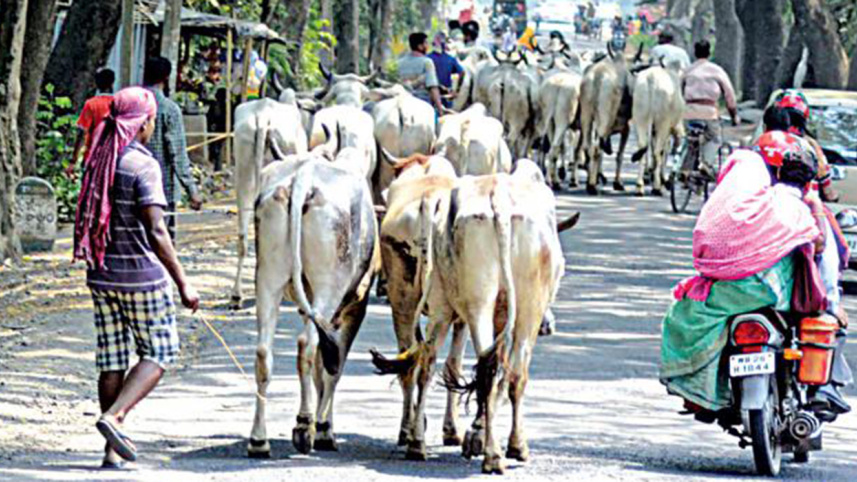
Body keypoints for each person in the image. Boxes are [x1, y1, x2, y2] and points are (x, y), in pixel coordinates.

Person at [73, 87, 200, 468]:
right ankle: (115, 418)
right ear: (143, 123)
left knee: (111, 358)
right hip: (142, 278)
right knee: (160, 351)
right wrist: (183, 283)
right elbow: (157, 231)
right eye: (150, 120)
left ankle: (111, 450)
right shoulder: (143, 165)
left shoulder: (99, 160)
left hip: (101, 275)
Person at [661, 136, 822, 414]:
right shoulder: (800, 211)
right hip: (775, 297)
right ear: (808, 183)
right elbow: (817, 247)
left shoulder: (759, 201)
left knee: (684, 315)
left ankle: (698, 394)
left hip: (733, 289)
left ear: (779, 174)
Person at [143, 57, 203, 240]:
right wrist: (192, 190)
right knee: (162, 241)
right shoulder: (169, 109)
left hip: (127, 187)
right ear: (167, 77)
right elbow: (177, 153)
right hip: (161, 190)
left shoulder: (129, 105)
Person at [681, 40, 738, 175]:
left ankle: (685, 170)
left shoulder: (688, 71)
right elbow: (729, 95)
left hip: (689, 113)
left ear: (695, 53)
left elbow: (678, 92)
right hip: (709, 113)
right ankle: (706, 164)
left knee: (690, 141)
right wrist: (734, 115)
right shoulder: (716, 71)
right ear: (709, 52)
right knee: (714, 138)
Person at [774, 89, 840, 202]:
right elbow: (829, 192)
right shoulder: (810, 145)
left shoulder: (765, 141)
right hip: (804, 208)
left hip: (767, 208)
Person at [69, 69, 116, 176]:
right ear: (113, 82)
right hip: (113, 158)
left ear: (97, 84)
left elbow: (82, 133)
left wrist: (74, 160)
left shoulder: (91, 104)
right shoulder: (119, 103)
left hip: (92, 157)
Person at [398, 33, 444, 113]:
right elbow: (432, 87)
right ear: (420, 46)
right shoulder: (427, 62)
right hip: (423, 99)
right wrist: (440, 108)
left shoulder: (400, 62)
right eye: (426, 43)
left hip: (403, 98)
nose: (428, 46)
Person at [427, 32, 465, 107]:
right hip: (446, 96)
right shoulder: (450, 59)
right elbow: (462, 72)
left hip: (430, 96)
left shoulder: (427, 58)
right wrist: (457, 90)